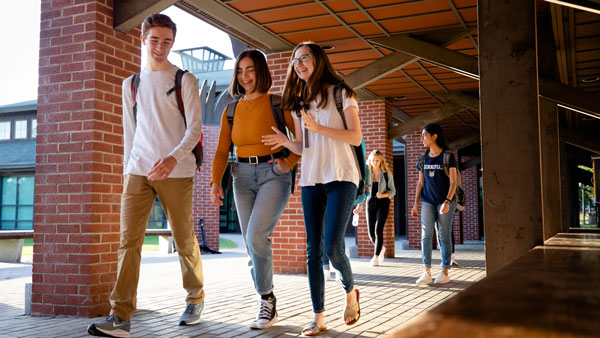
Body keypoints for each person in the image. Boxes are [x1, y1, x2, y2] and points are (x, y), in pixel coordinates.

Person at [87, 14, 205, 338]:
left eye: (167, 41)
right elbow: (130, 133)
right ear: (143, 39)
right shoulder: (131, 84)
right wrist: (128, 169)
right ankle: (120, 317)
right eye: (154, 39)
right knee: (128, 243)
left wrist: (172, 158)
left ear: (173, 42)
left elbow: (194, 130)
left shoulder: (184, 80)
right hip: (138, 171)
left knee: (183, 239)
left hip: (176, 172)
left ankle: (195, 298)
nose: (160, 46)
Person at [262, 41, 362, 336]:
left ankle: (350, 292)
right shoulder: (299, 102)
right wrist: (286, 143)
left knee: (333, 247)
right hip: (311, 180)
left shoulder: (342, 93)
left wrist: (319, 129)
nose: (299, 63)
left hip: (342, 176)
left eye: (305, 57)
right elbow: (305, 148)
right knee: (312, 252)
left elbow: (355, 137)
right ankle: (318, 317)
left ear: (319, 60)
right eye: (295, 60)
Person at [210, 49, 300, 329]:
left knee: (256, 235)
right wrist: (215, 181)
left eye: (250, 69)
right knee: (252, 243)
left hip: (274, 173)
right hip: (242, 176)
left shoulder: (277, 102)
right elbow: (223, 150)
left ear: (260, 71)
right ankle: (267, 297)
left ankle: (266, 302)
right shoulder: (231, 109)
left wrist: (289, 162)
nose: (244, 76)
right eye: (240, 70)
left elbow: (302, 139)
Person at [410, 124, 458, 285]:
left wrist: (447, 201)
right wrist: (415, 204)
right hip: (428, 202)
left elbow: (453, 183)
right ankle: (426, 272)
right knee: (426, 235)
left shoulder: (448, 156)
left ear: (435, 136)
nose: (422, 138)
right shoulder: (423, 158)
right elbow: (420, 183)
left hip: (445, 201)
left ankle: (444, 272)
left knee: (443, 235)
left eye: (424, 135)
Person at [354, 150, 395, 266]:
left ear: (381, 160)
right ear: (370, 160)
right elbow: (363, 192)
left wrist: (383, 195)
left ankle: (376, 257)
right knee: (371, 233)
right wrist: (359, 206)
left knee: (378, 229)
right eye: (373, 160)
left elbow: (393, 191)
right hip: (370, 202)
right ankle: (381, 248)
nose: (375, 162)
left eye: (377, 160)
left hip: (383, 203)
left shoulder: (387, 174)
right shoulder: (367, 174)